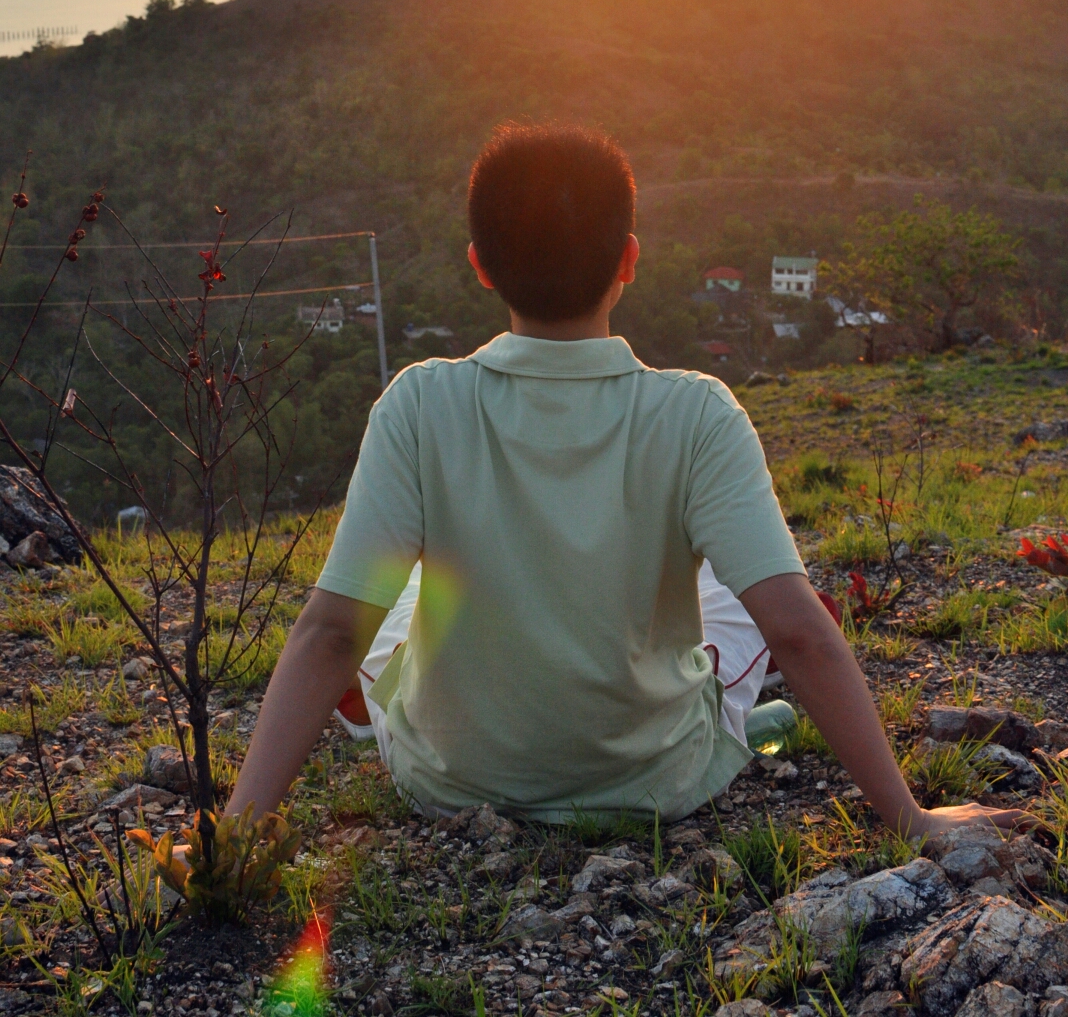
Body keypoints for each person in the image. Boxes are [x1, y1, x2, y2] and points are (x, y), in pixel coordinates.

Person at [228, 124, 1021, 835]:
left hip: (450, 781)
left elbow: (328, 632)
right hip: (653, 783)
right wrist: (911, 816)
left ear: (479, 267)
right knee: (736, 596)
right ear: (630, 260)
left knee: (397, 600)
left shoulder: (419, 403)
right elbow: (800, 633)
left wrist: (228, 840)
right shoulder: (697, 414)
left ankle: (387, 708)